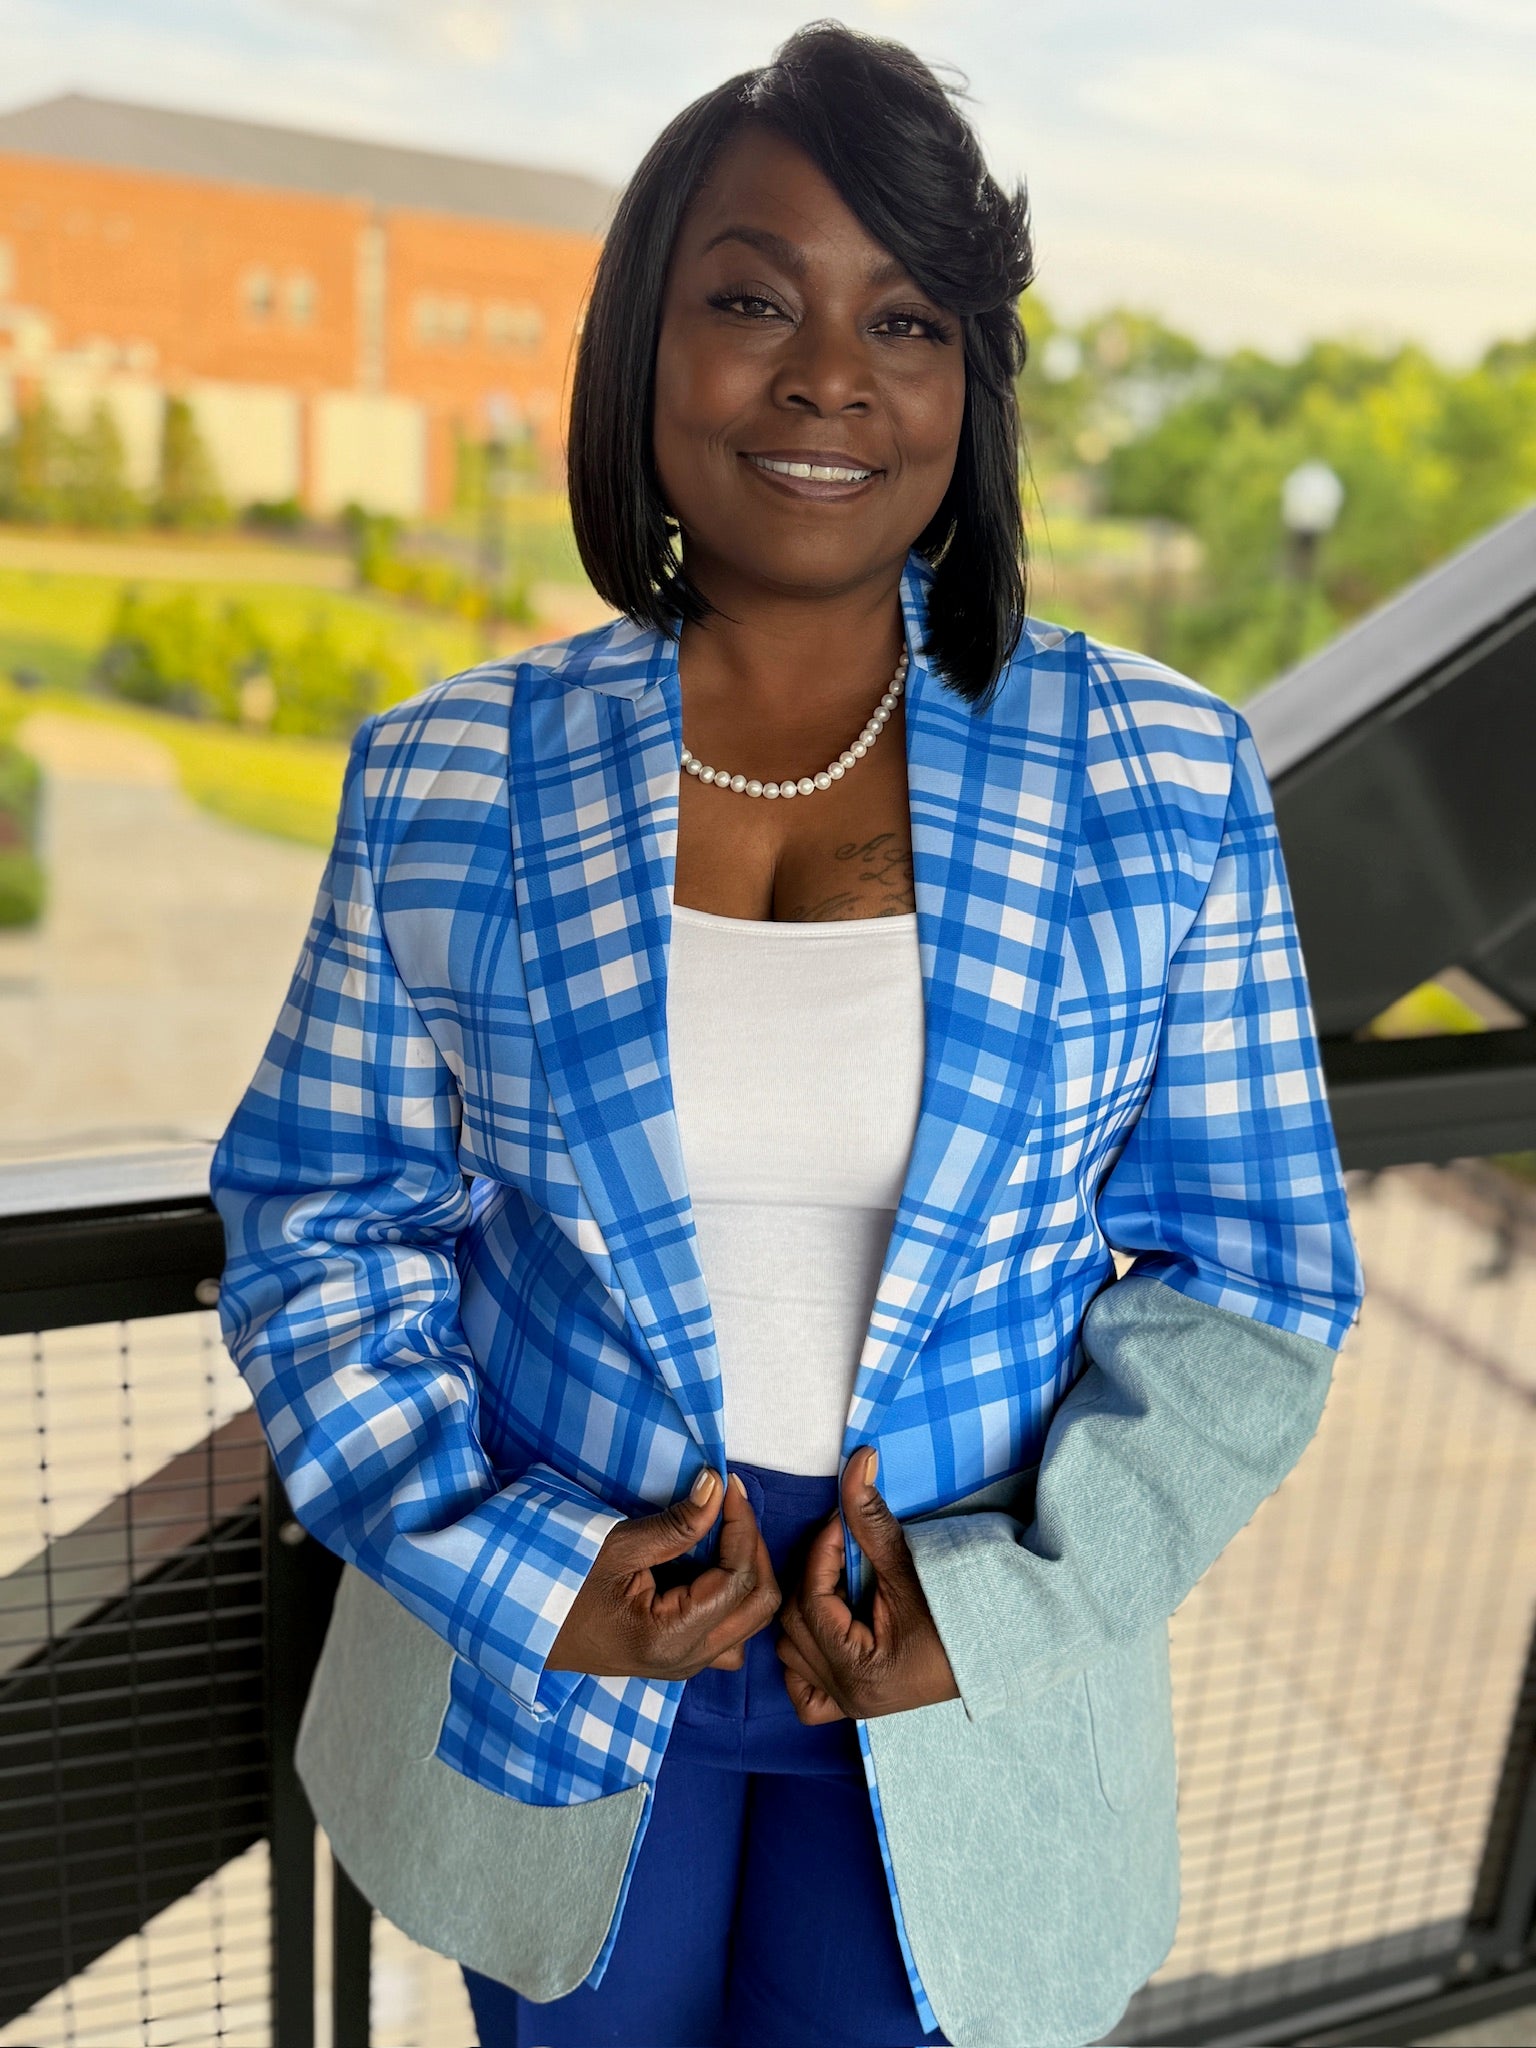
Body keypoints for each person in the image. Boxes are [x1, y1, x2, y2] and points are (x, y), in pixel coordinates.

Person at [210, 22, 1364, 2048]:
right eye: (753, 298)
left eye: (906, 317)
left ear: (968, 382)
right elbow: (323, 1225)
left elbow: (1255, 1282)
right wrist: (518, 1571)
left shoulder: (1161, 779)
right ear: (641, 343)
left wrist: (1005, 1600)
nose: (829, 372)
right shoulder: (450, 778)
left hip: (956, 1676)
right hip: (566, 1656)